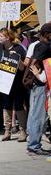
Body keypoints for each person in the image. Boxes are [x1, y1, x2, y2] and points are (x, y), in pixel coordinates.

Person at [0, 28, 27, 142]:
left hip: (17, 83)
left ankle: (23, 130)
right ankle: (7, 130)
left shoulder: (19, 48)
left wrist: (17, 58)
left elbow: (23, 67)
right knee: (6, 106)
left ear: (7, 38)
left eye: (1, 36)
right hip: (5, 82)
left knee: (18, 106)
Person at [26, 23, 51, 156]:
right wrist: (36, 74)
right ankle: (34, 146)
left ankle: (32, 143)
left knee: (34, 114)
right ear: (47, 34)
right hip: (40, 84)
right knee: (38, 116)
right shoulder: (45, 47)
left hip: (36, 84)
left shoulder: (38, 45)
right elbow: (35, 64)